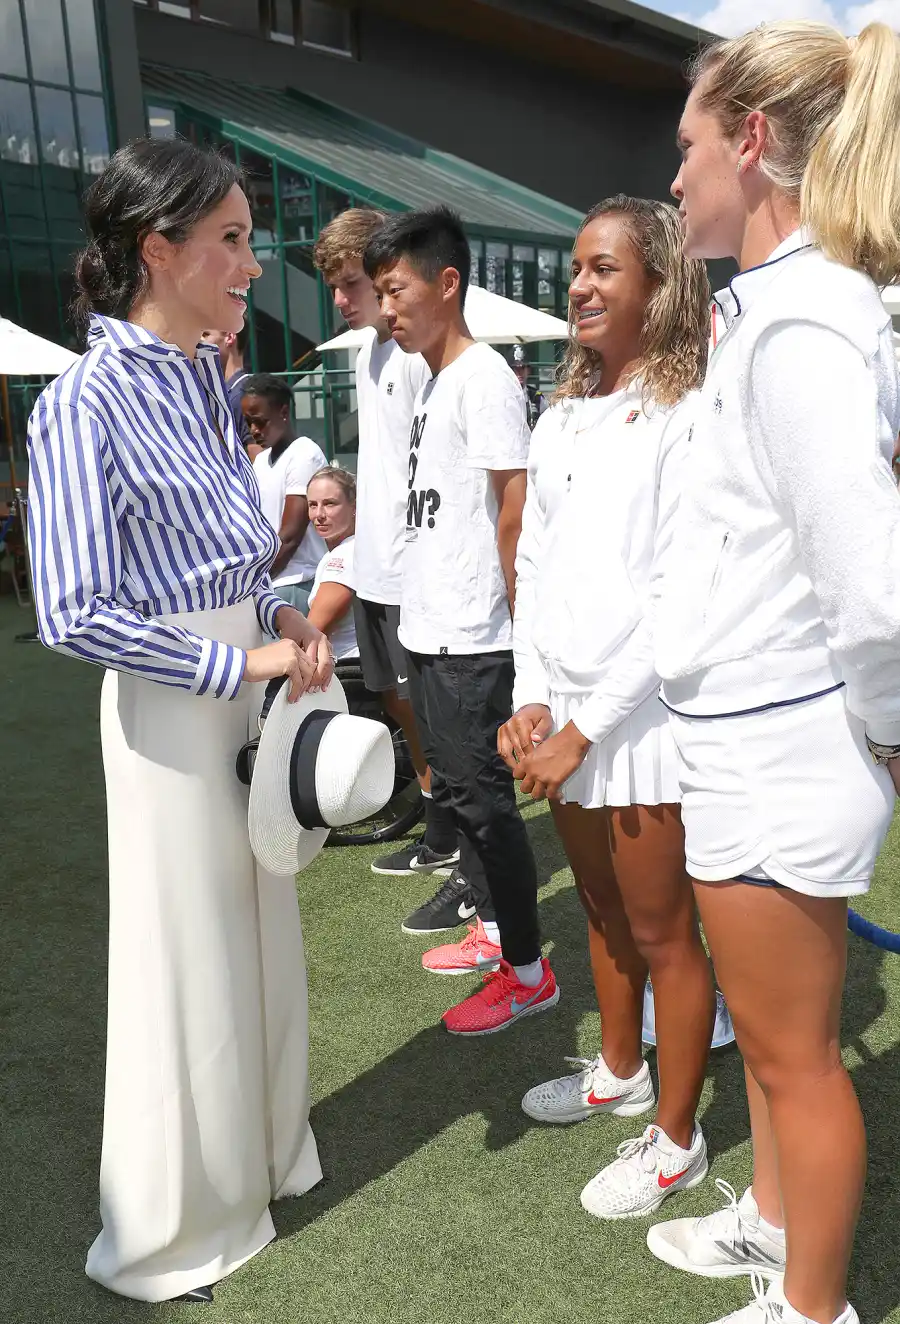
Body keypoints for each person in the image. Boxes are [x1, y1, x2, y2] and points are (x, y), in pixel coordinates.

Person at [26, 138, 333, 1304]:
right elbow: (72, 609)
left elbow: (232, 554)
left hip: (247, 679)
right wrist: (235, 659)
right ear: (159, 249)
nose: (253, 264)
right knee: (187, 951)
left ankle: (262, 1162)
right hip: (169, 712)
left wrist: (282, 612)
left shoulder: (207, 380)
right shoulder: (80, 401)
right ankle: (176, 1225)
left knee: (260, 925)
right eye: (233, 240)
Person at [645, 22, 900, 1324]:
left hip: (782, 739)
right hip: (754, 730)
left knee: (798, 1059)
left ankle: (813, 1310)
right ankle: (774, 1224)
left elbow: (871, 583)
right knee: (775, 1036)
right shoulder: (774, 312)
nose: (674, 174)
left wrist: (891, 731)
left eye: (687, 144)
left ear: (750, 143)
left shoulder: (802, 325)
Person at [498, 195, 716, 1216]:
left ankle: (678, 1140)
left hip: (647, 721)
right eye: (575, 268)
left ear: (659, 285)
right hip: (570, 721)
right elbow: (534, 571)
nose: (578, 286)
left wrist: (585, 729)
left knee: (666, 933)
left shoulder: (689, 416)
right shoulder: (557, 418)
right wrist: (532, 701)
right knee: (598, 908)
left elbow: (678, 600)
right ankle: (621, 1071)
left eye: (603, 268)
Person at [364, 205, 559, 1035]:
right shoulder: (436, 380)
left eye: (396, 290)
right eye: (379, 294)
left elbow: (515, 504)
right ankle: (494, 932)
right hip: (431, 623)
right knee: (462, 793)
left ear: (448, 283)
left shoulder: (482, 378)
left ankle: (529, 972)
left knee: (486, 804)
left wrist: (519, 618)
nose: (386, 310)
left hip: (475, 634)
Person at [313, 210, 470, 933]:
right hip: (374, 568)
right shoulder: (367, 355)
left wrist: (420, 562)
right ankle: (440, 833)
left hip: (414, 573)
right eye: (338, 286)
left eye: (352, 284)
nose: (342, 299)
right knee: (402, 707)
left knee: (441, 719)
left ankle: (466, 850)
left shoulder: (416, 358)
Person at [242, 372, 327, 614]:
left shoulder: (304, 454)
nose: (254, 430)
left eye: (260, 421)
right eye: (248, 422)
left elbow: (289, 537)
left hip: (297, 583)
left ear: (284, 412)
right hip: (270, 585)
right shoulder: (261, 461)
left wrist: (255, 582)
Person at [306, 466, 359, 660]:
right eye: (312, 505)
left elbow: (312, 633)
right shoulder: (343, 550)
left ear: (354, 507)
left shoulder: (345, 555)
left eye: (329, 504)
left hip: (348, 667)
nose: (319, 514)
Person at [200, 324, 255, 455]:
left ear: (229, 337)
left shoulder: (245, 394)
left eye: (205, 334)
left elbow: (257, 455)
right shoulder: (222, 392)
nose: (199, 341)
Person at [510, 344, 546, 430]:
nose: (519, 372)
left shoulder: (537, 397)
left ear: (528, 370)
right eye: (515, 368)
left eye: (522, 368)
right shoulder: (503, 396)